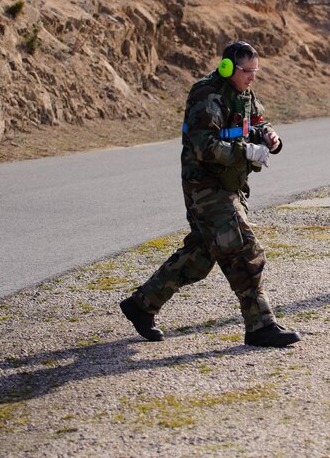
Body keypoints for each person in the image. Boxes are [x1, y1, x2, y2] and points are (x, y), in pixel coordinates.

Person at [120, 40, 300, 348]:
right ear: (228, 67)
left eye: (255, 71)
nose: (252, 77)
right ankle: (260, 325)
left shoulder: (243, 93)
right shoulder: (206, 95)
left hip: (229, 187)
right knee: (244, 250)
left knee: (200, 256)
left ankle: (141, 305)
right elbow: (204, 147)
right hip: (205, 189)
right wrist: (248, 152)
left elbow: (257, 120)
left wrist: (270, 137)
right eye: (247, 71)